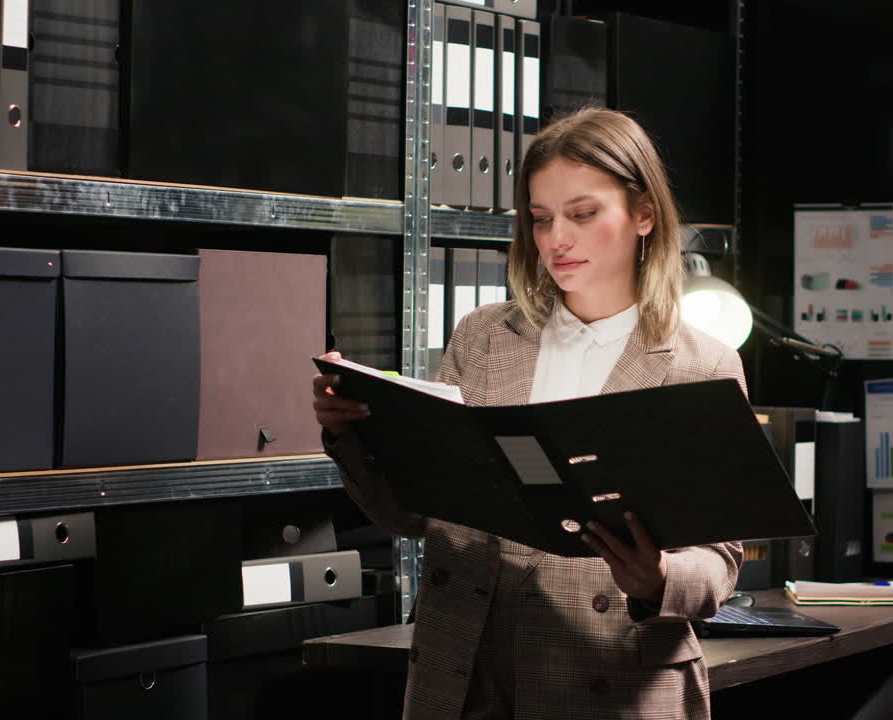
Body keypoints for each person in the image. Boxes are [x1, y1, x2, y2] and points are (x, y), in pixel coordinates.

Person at [313, 107, 746, 720]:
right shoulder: (482, 337)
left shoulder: (700, 364)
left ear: (644, 214)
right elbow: (416, 515)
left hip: (614, 678)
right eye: (541, 219)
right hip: (468, 671)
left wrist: (656, 578)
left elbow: (720, 562)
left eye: (582, 214)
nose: (556, 240)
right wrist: (353, 433)